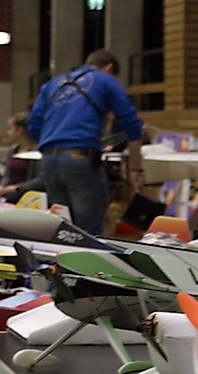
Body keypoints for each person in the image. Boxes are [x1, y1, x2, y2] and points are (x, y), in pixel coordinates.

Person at [28, 49, 145, 235]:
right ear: (109, 68)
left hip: (49, 160)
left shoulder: (52, 84)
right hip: (80, 158)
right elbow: (131, 123)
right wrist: (135, 168)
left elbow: (33, 125)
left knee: (61, 229)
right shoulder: (106, 80)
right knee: (87, 230)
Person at [0, 112, 44, 203]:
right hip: (10, 194)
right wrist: (1, 187)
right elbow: (7, 175)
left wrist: (17, 188)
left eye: (10, 129)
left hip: (27, 196)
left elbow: (40, 180)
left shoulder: (38, 152)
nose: (7, 132)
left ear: (20, 131)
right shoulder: (12, 151)